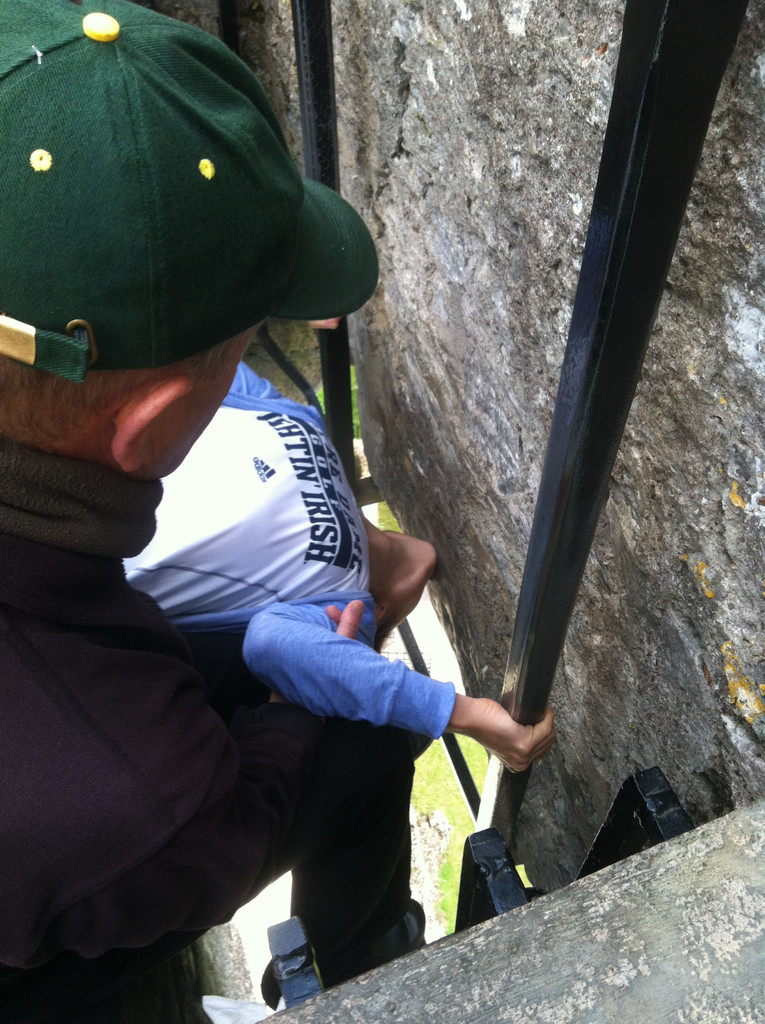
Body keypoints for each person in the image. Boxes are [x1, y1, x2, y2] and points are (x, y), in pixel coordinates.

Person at [0, 3, 555, 1020]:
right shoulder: (132, 794)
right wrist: (328, 683)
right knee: (358, 741)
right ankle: (368, 980)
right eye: (237, 351)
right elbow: (216, 814)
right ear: (150, 425)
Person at [125, 360, 558, 769]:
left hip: (101, 541)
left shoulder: (339, 608)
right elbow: (209, 364)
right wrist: (468, 717)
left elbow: (272, 643)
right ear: (379, 612)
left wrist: (468, 716)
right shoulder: (306, 424)